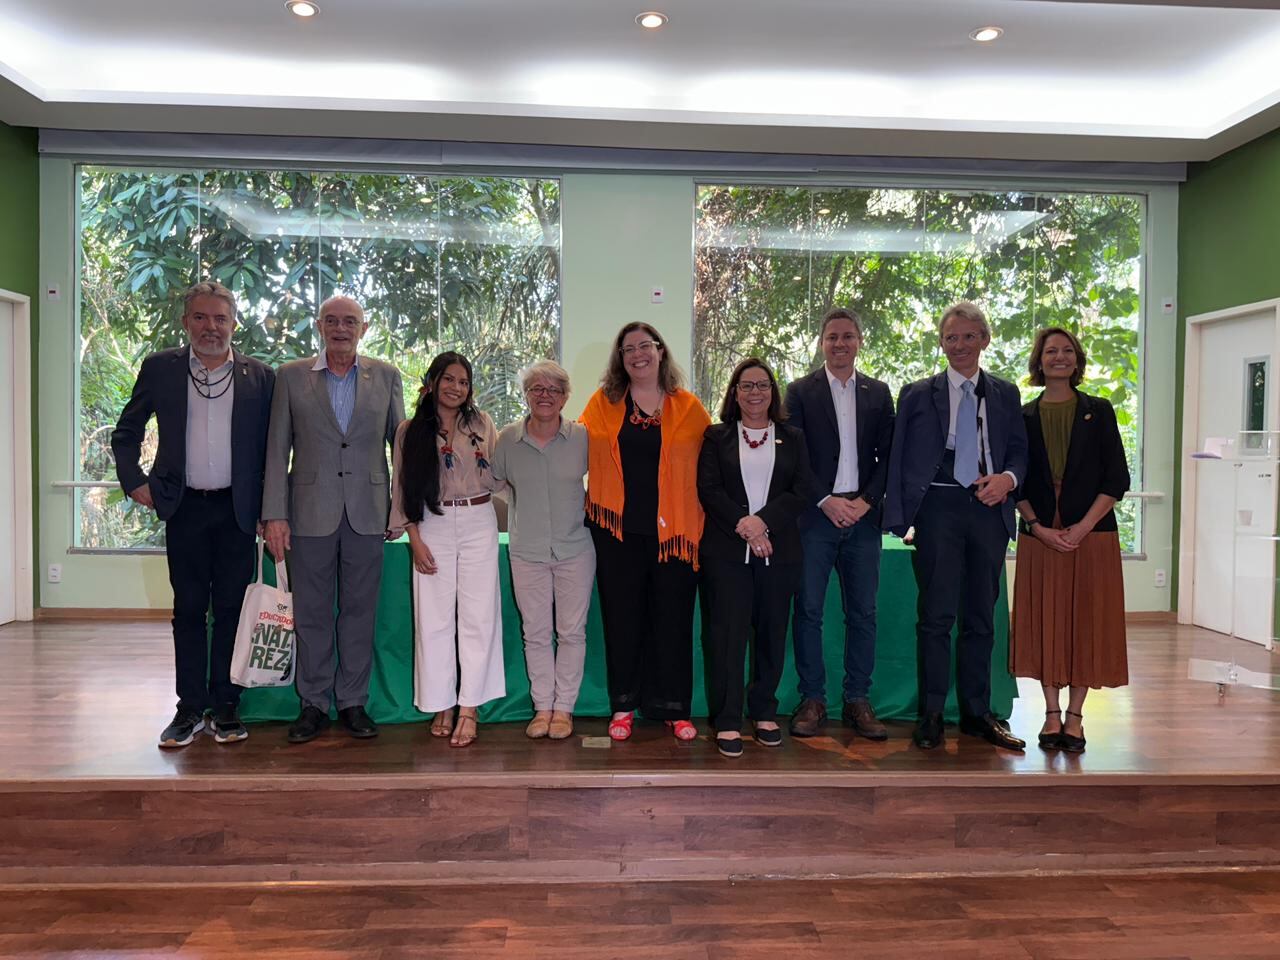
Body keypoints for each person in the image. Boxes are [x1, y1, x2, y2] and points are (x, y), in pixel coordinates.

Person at [112, 281, 275, 748]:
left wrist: (272, 508)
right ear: (186, 322)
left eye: (220, 318)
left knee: (230, 611)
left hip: (238, 511)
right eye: (201, 317)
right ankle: (188, 708)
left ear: (234, 324)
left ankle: (225, 706)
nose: (211, 327)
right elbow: (126, 432)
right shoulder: (161, 368)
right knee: (187, 610)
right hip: (183, 508)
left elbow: (275, 447)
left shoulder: (261, 377)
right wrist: (135, 481)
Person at [883, 301, 1028, 752]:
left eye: (968, 336)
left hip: (988, 510)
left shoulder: (1006, 393)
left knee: (981, 618)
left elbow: (1020, 451)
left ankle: (977, 712)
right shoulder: (916, 394)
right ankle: (930, 714)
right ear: (941, 343)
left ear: (984, 339)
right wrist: (901, 519)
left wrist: (1007, 480)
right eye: (951, 338)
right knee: (936, 616)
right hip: (938, 509)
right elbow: (898, 457)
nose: (959, 345)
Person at [262, 295, 404, 744]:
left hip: (368, 512)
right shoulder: (290, 376)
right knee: (312, 612)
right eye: (332, 321)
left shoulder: (386, 376)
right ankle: (313, 703)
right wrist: (274, 514)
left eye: (350, 322)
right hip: (308, 513)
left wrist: (400, 508)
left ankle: (353, 702)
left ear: (364, 329)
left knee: (360, 613)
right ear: (319, 326)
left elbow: (401, 448)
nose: (341, 328)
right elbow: (276, 449)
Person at [580, 322, 711, 742]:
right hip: (617, 534)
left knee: (673, 621)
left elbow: (712, 467)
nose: (637, 354)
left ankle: (674, 709)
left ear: (660, 351)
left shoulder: (689, 407)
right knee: (622, 621)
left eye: (645, 346)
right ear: (620, 359)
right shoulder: (602, 404)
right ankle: (623, 706)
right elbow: (573, 452)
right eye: (628, 349)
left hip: (675, 536)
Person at [1012, 327, 1130, 753]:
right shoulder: (1022, 416)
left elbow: (1117, 478)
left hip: (1092, 533)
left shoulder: (1100, 411)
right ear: (1039, 361)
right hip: (1040, 532)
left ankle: (1076, 715)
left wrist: (1081, 527)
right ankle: (1050, 713)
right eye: (1050, 351)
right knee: (1046, 619)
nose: (1058, 357)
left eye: (1066, 351)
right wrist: (1037, 526)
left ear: (1077, 360)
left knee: (1086, 621)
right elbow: (1013, 478)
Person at [783, 307, 895, 739]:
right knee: (809, 611)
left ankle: (857, 700)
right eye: (832, 337)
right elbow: (794, 455)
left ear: (859, 341)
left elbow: (889, 456)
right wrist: (826, 500)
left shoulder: (878, 393)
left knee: (863, 613)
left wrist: (866, 502)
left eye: (848, 336)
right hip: (816, 517)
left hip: (863, 518)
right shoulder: (799, 392)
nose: (840, 343)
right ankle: (812, 699)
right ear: (821, 343)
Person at [698, 358, 813, 757]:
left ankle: (764, 712)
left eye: (762, 385)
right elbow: (709, 489)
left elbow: (802, 490)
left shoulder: (793, 437)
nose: (755, 393)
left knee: (771, 634)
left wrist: (763, 523)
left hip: (780, 554)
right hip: (726, 554)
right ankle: (728, 719)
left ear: (773, 392)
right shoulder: (716, 437)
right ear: (735, 393)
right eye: (746, 386)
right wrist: (745, 526)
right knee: (726, 638)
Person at [390, 352, 504, 748]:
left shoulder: (482, 423)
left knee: (478, 617)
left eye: (463, 382)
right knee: (434, 618)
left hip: (478, 521)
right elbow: (402, 485)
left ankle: (469, 707)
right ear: (433, 381)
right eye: (449, 379)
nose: (456, 388)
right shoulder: (409, 430)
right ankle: (441, 704)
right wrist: (414, 537)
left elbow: (500, 475)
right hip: (431, 524)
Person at [490, 360, 592, 741]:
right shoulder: (507, 440)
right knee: (534, 633)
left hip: (575, 549)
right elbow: (497, 483)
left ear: (565, 397)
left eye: (553, 389)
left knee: (571, 633)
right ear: (526, 395)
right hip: (527, 551)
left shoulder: (582, 438)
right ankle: (542, 708)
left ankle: (564, 709)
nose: (545, 395)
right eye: (537, 388)